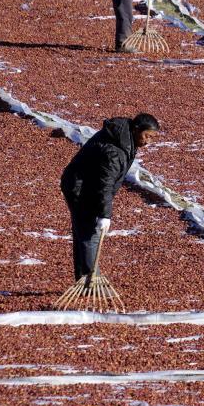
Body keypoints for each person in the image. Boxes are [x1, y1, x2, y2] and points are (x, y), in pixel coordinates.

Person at [59, 113, 161, 282]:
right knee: (89, 233)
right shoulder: (116, 151)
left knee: (83, 231)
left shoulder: (125, 137)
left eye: (152, 138)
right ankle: (91, 280)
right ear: (136, 129)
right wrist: (105, 214)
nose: (148, 141)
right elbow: (104, 184)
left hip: (84, 182)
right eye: (147, 136)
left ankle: (83, 279)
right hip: (80, 187)